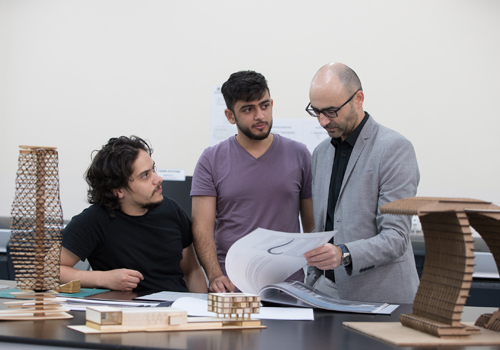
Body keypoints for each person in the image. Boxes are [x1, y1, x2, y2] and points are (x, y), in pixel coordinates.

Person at [303, 63, 420, 304]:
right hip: (323, 293)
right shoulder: (321, 153)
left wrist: (343, 254)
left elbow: (396, 237)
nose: (323, 122)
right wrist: (312, 279)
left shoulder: (394, 149)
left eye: (331, 111)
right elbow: (324, 225)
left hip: (381, 298)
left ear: (359, 99)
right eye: (316, 111)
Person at [191, 70, 314, 293]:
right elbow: (202, 227)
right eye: (248, 109)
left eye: (264, 105)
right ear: (230, 116)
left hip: (289, 286)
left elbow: (312, 226)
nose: (260, 116)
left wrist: (313, 278)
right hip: (230, 286)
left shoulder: (300, 154)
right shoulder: (211, 159)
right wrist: (215, 275)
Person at [60, 136, 207, 293]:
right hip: (127, 312)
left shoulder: (172, 210)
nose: (158, 179)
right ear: (118, 190)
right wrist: (104, 279)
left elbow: (192, 271)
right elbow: (48, 271)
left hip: (176, 308)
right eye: (145, 175)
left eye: (153, 169)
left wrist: (199, 311)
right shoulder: (93, 221)